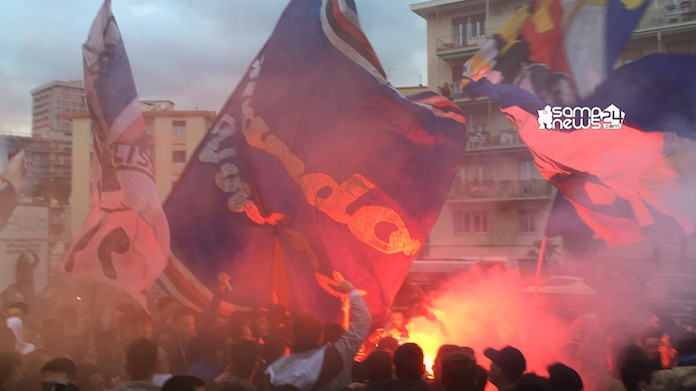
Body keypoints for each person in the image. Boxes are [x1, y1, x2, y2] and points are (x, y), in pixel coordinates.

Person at [267, 280, 371, 391]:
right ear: (321, 335)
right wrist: (351, 291)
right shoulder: (338, 355)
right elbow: (364, 320)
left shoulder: (281, 368)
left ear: (294, 337)